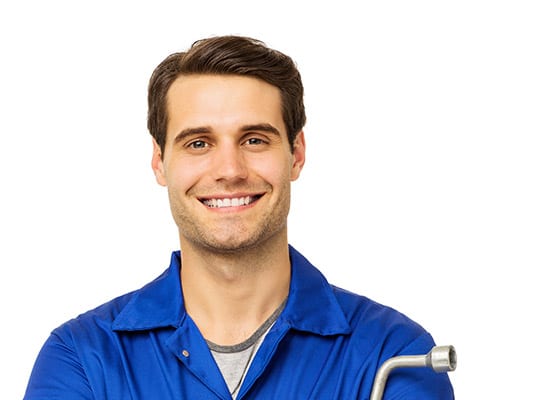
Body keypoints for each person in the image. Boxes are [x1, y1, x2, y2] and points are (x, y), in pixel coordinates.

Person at [23, 35, 455, 399]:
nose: (229, 170)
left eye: (254, 140)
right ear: (159, 162)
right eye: (198, 143)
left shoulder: (394, 354)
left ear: (296, 154)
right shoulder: (81, 358)